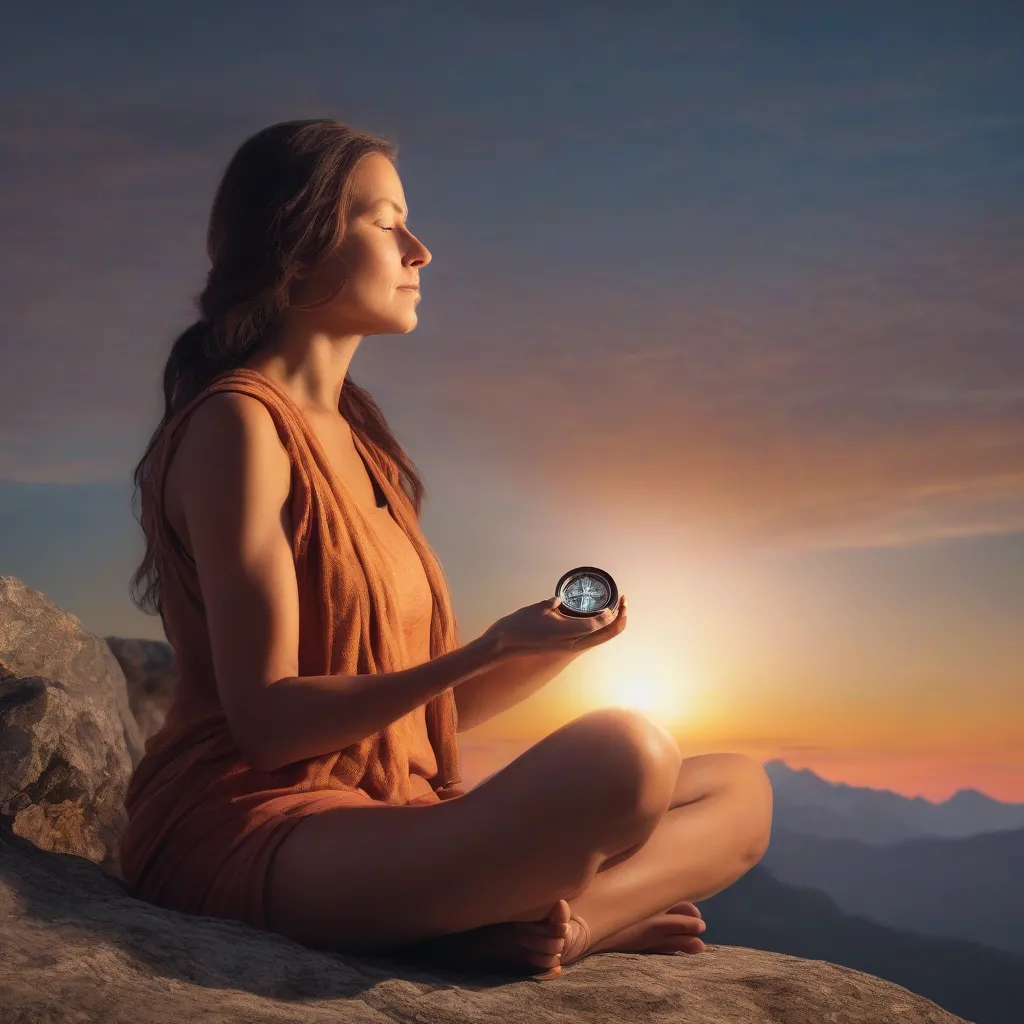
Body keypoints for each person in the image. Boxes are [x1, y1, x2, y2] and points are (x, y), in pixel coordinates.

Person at [121, 118, 774, 981]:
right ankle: (502, 919)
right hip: (257, 829)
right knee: (626, 755)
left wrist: (542, 650)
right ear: (298, 248)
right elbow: (270, 725)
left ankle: (567, 932)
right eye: (386, 221)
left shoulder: (365, 445)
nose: (420, 249)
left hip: (386, 814)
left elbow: (422, 723)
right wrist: (484, 648)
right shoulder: (238, 425)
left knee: (739, 790)